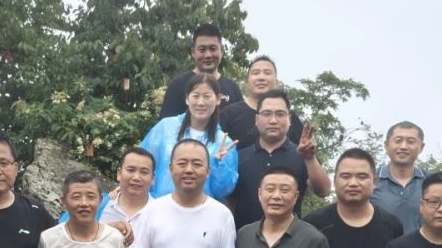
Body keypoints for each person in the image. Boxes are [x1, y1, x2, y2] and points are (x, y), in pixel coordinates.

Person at [230, 89, 331, 229]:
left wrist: (310, 159)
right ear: (256, 120)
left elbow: (324, 191)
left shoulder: (303, 154)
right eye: (267, 114)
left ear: (289, 120)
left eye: (280, 114)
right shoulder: (239, 157)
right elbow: (229, 201)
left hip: (291, 238)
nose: (273, 120)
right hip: (245, 238)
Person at [141, 72, 239, 199]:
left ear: (218, 99)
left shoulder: (223, 143)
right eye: (196, 96)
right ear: (187, 99)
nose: (200, 102)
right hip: (161, 205)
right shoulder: (166, 127)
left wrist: (219, 164)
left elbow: (223, 191)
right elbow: (143, 164)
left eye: (207, 96)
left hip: (201, 209)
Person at [159, 22, 243, 118]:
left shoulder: (232, 88)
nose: (208, 55)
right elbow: (166, 125)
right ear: (193, 52)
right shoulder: (177, 86)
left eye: (213, 49)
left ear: (222, 50)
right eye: (202, 49)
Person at [219, 56, 305, 149]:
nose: (261, 78)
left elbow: (303, 152)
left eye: (267, 73)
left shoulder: (289, 117)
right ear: (246, 82)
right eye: (256, 73)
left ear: (276, 82)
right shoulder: (229, 113)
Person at [371, 121, 427, 233]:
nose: (403, 146)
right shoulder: (369, 180)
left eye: (410, 141)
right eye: (398, 141)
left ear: (421, 147)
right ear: (386, 145)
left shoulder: (433, 182)